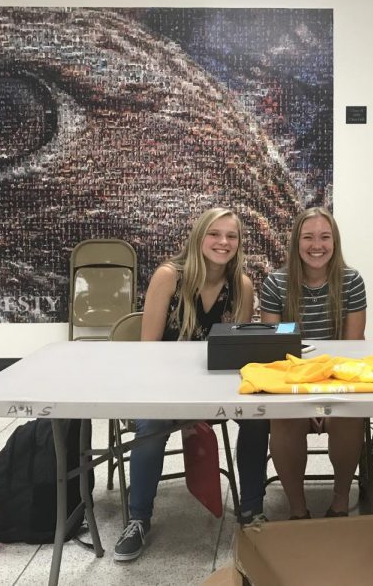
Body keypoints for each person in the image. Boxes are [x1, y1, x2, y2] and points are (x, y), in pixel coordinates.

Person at [114, 207, 269, 561]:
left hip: (215, 387)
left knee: (258, 416)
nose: (223, 242)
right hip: (165, 387)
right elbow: (148, 351)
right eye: (215, 234)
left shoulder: (241, 286)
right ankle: (138, 519)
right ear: (199, 237)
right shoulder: (169, 277)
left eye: (231, 236)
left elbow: (236, 350)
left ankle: (252, 510)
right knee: (151, 425)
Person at [260, 207, 367, 519]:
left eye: (324, 237)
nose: (316, 245)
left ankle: (340, 500)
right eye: (308, 237)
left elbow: (350, 349)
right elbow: (276, 355)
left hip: (336, 381)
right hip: (293, 383)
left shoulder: (351, 281)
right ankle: (297, 508)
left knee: (349, 417)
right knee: (284, 420)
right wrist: (308, 402)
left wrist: (325, 402)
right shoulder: (276, 283)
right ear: (296, 242)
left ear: (334, 243)